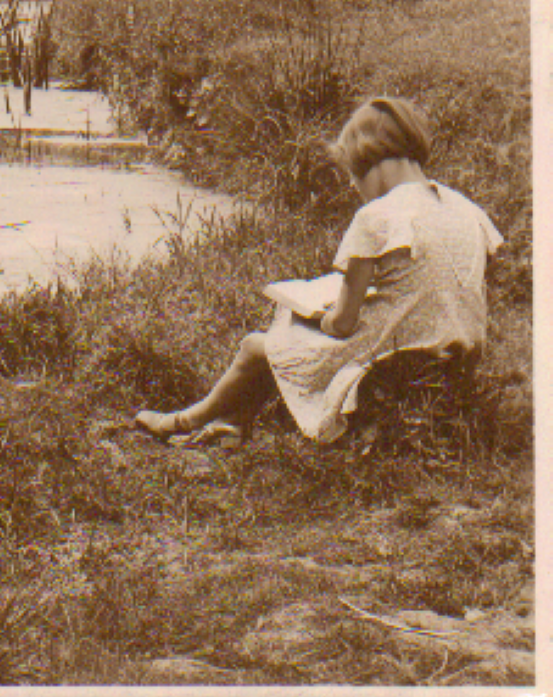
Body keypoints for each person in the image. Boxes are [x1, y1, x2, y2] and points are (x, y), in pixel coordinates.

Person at [134, 97, 502, 446]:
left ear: (367, 162)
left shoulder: (376, 217)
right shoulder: (467, 209)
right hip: (455, 364)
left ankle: (183, 422)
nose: (356, 189)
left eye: (354, 178)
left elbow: (342, 324)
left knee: (258, 344)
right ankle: (232, 424)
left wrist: (324, 317)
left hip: (395, 364)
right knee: (287, 336)